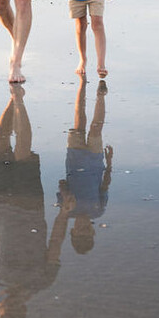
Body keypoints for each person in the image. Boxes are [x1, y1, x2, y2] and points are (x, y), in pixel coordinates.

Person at [0, 85, 72, 318]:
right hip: (30, 206)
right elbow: (55, 244)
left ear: (0, 307)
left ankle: (12, 100)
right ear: (22, 309)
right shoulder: (43, 280)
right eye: (12, 308)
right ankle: (19, 101)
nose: (9, 301)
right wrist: (64, 212)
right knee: (22, 152)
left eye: (5, 306)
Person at [59, 79, 113, 255]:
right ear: (93, 231)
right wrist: (110, 163)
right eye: (87, 230)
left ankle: (81, 87)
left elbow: (61, 183)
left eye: (79, 230)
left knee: (79, 120)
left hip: (75, 158)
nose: (83, 227)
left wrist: (67, 197)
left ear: (73, 230)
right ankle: (100, 96)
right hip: (96, 161)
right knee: (96, 129)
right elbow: (104, 186)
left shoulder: (67, 211)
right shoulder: (98, 211)